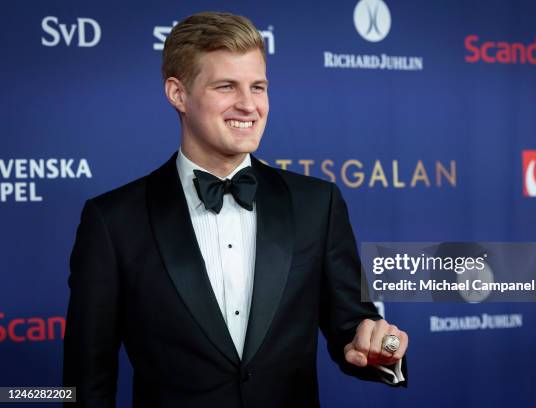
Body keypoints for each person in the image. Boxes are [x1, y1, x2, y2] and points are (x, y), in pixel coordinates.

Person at [63, 11, 408, 407]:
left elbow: (353, 329)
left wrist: (383, 348)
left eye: (258, 87)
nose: (248, 105)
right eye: (226, 86)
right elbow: (85, 382)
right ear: (178, 94)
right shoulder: (113, 221)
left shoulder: (317, 203)